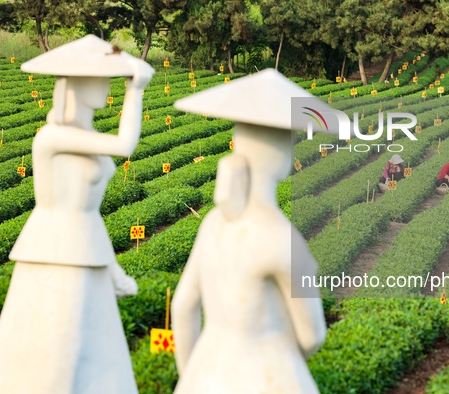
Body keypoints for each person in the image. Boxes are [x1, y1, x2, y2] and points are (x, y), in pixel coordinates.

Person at [0, 35, 153, 394]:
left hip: (86, 250)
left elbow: (89, 214)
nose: (105, 85)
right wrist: (136, 91)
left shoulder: (83, 134)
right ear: (73, 84)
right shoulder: (52, 137)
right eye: (97, 77)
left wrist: (112, 268)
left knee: (96, 350)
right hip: (53, 249)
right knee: (56, 349)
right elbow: (124, 145)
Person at [172, 70, 327, 393]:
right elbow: (312, 335)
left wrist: (191, 375)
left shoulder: (213, 222)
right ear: (283, 156)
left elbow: (183, 307)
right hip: (267, 376)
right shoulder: (280, 238)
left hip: (208, 372)